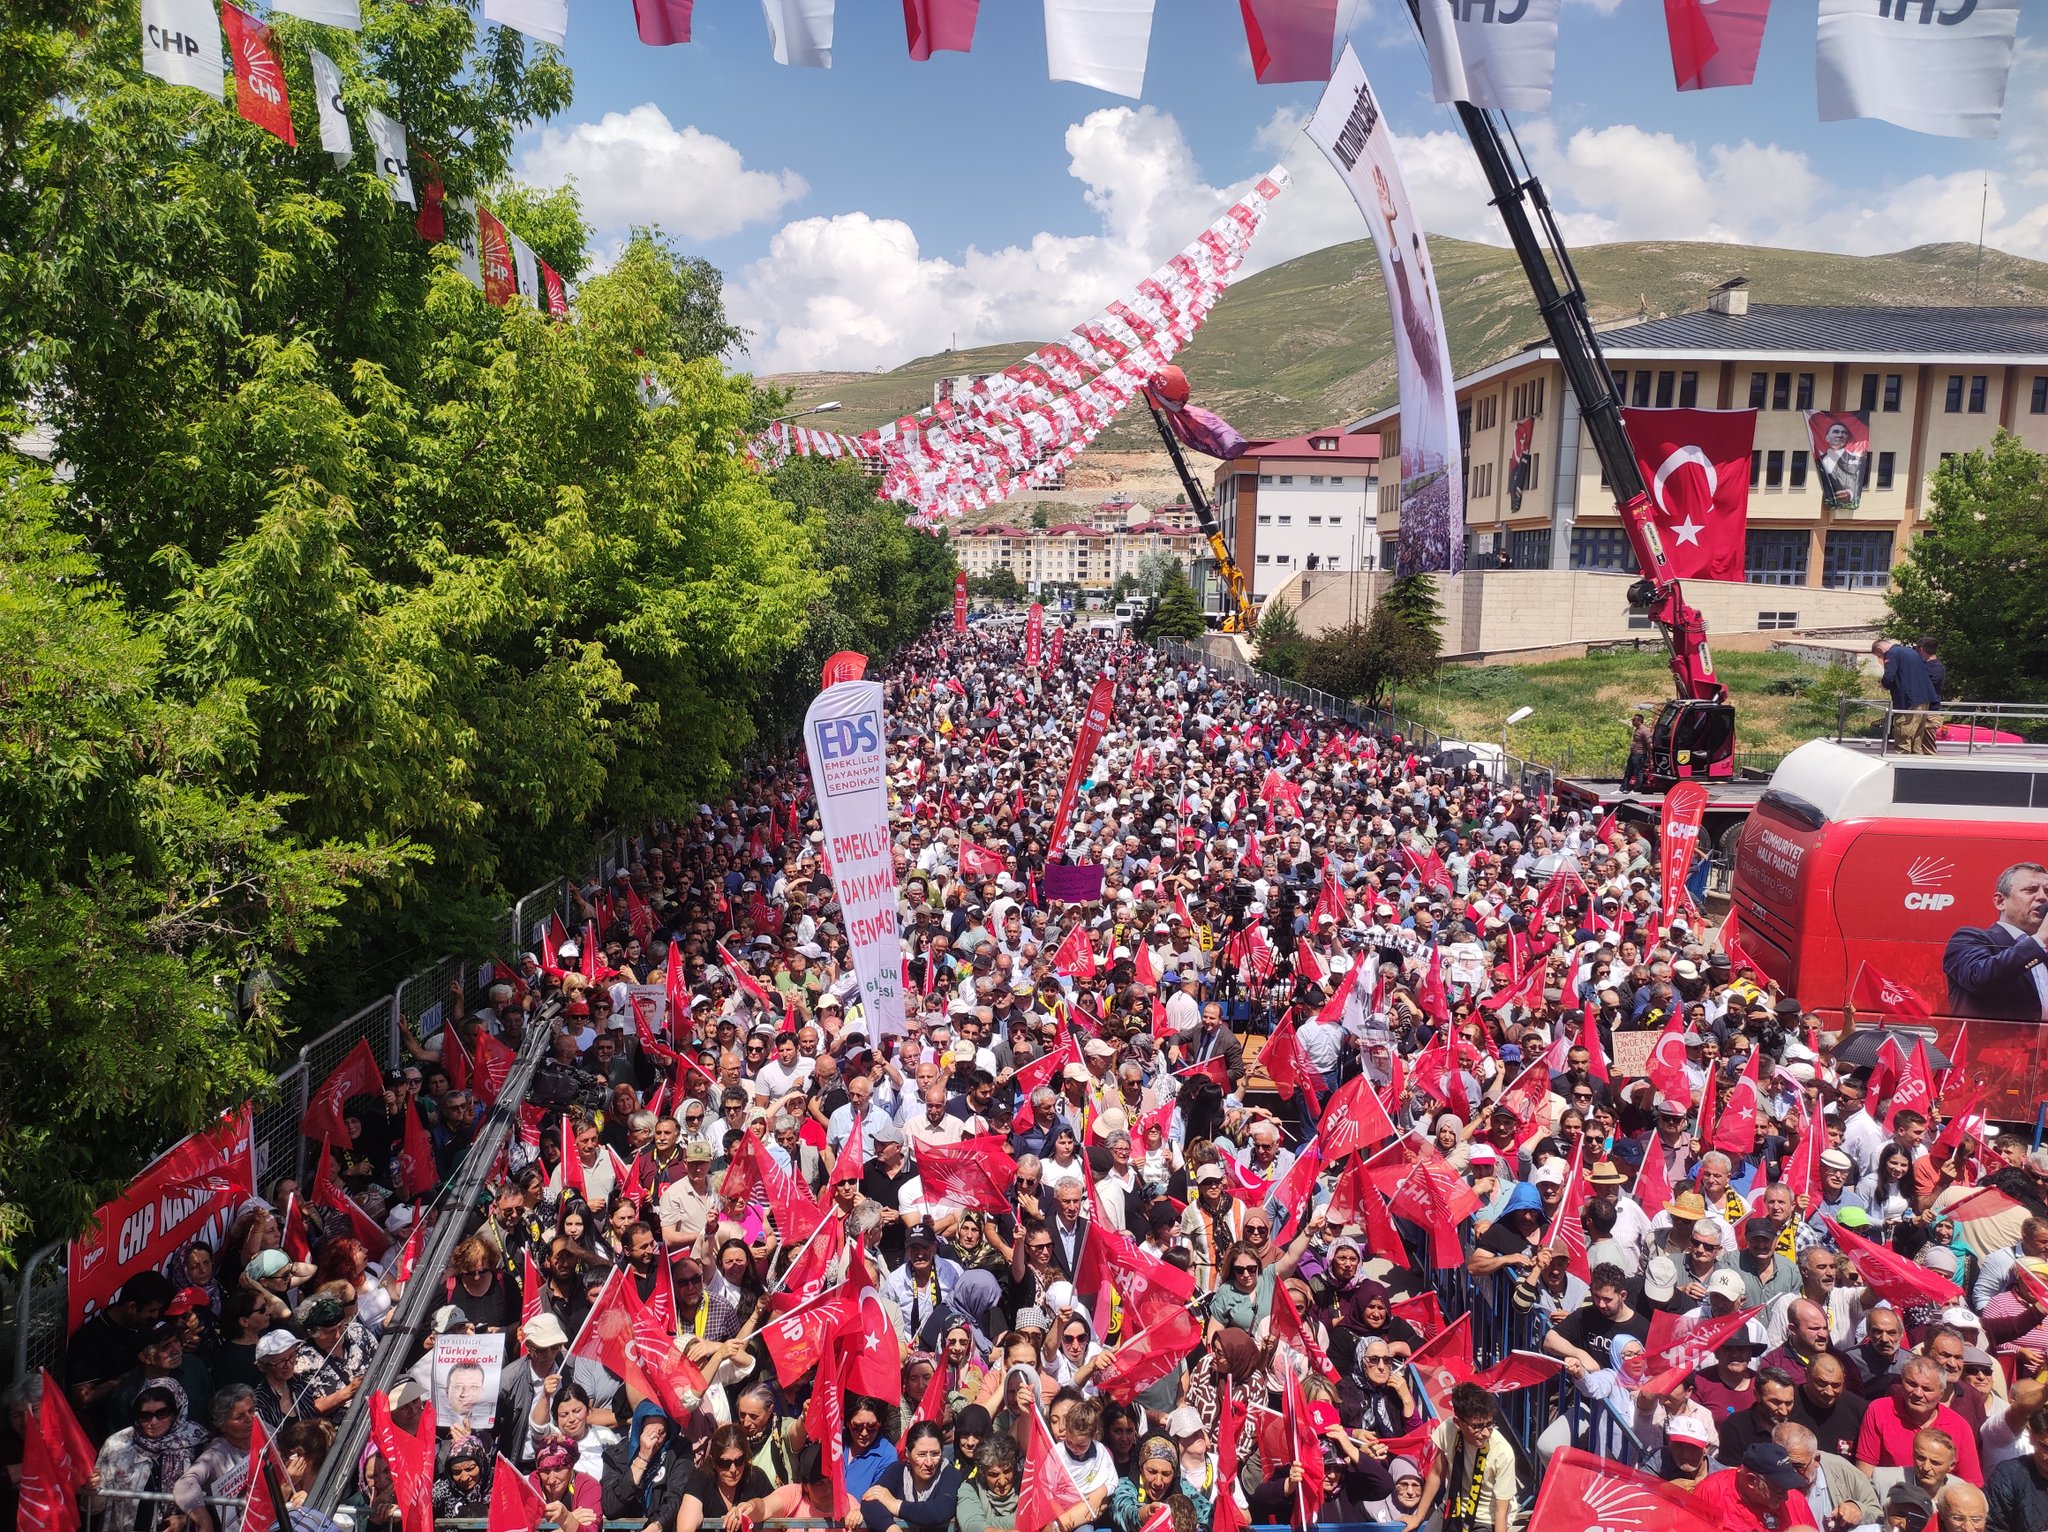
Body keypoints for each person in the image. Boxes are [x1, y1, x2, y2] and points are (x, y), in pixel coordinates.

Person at [1943, 862, 2048, 1023]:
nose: (2043, 897)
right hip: (1989, 1046)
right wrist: (2039, 939)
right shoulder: (1968, 938)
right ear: (2000, 901)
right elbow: (1978, 978)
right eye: (2031, 890)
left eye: (2047, 892)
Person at [1406, 1382, 1518, 1532]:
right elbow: (1437, 1473)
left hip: (1486, 1518)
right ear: (1458, 1423)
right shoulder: (1447, 1429)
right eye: (1477, 1426)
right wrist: (1418, 1516)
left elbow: (1501, 1512)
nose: (1485, 1432)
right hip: (1452, 1506)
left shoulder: (1503, 1452)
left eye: (1489, 1424)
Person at [1691, 1441, 1822, 1532]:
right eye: (1779, 1489)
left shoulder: (1795, 1500)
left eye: (1787, 1488)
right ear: (1752, 1481)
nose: (1786, 1497)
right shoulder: (1711, 1492)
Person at [859, 1420, 963, 1530]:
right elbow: (869, 1502)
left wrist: (896, 1505)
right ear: (908, 1454)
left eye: (935, 1454)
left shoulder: (951, 1475)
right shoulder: (897, 1471)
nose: (929, 1462)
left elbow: (940, 1510)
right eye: (921, 1454)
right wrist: (891, 1528)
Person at [1872, 637, 1941, 756]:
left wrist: (1883, 684)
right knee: (1917, 736)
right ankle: (1916, 762)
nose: (1881, 658)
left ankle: (1902, 761)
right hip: (1925, 698)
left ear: (1879, 649)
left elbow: (1889, 675)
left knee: (1904, 733)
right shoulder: (1911, 652)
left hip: (1909, 700)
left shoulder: (1892, 653)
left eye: (1879, 656)